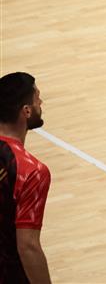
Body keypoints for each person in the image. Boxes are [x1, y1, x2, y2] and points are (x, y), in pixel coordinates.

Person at [0, 73, 52, 284]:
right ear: (27, 110)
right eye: (37, 98)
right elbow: (28, 246)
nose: (41, 103)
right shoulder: (31, 171)